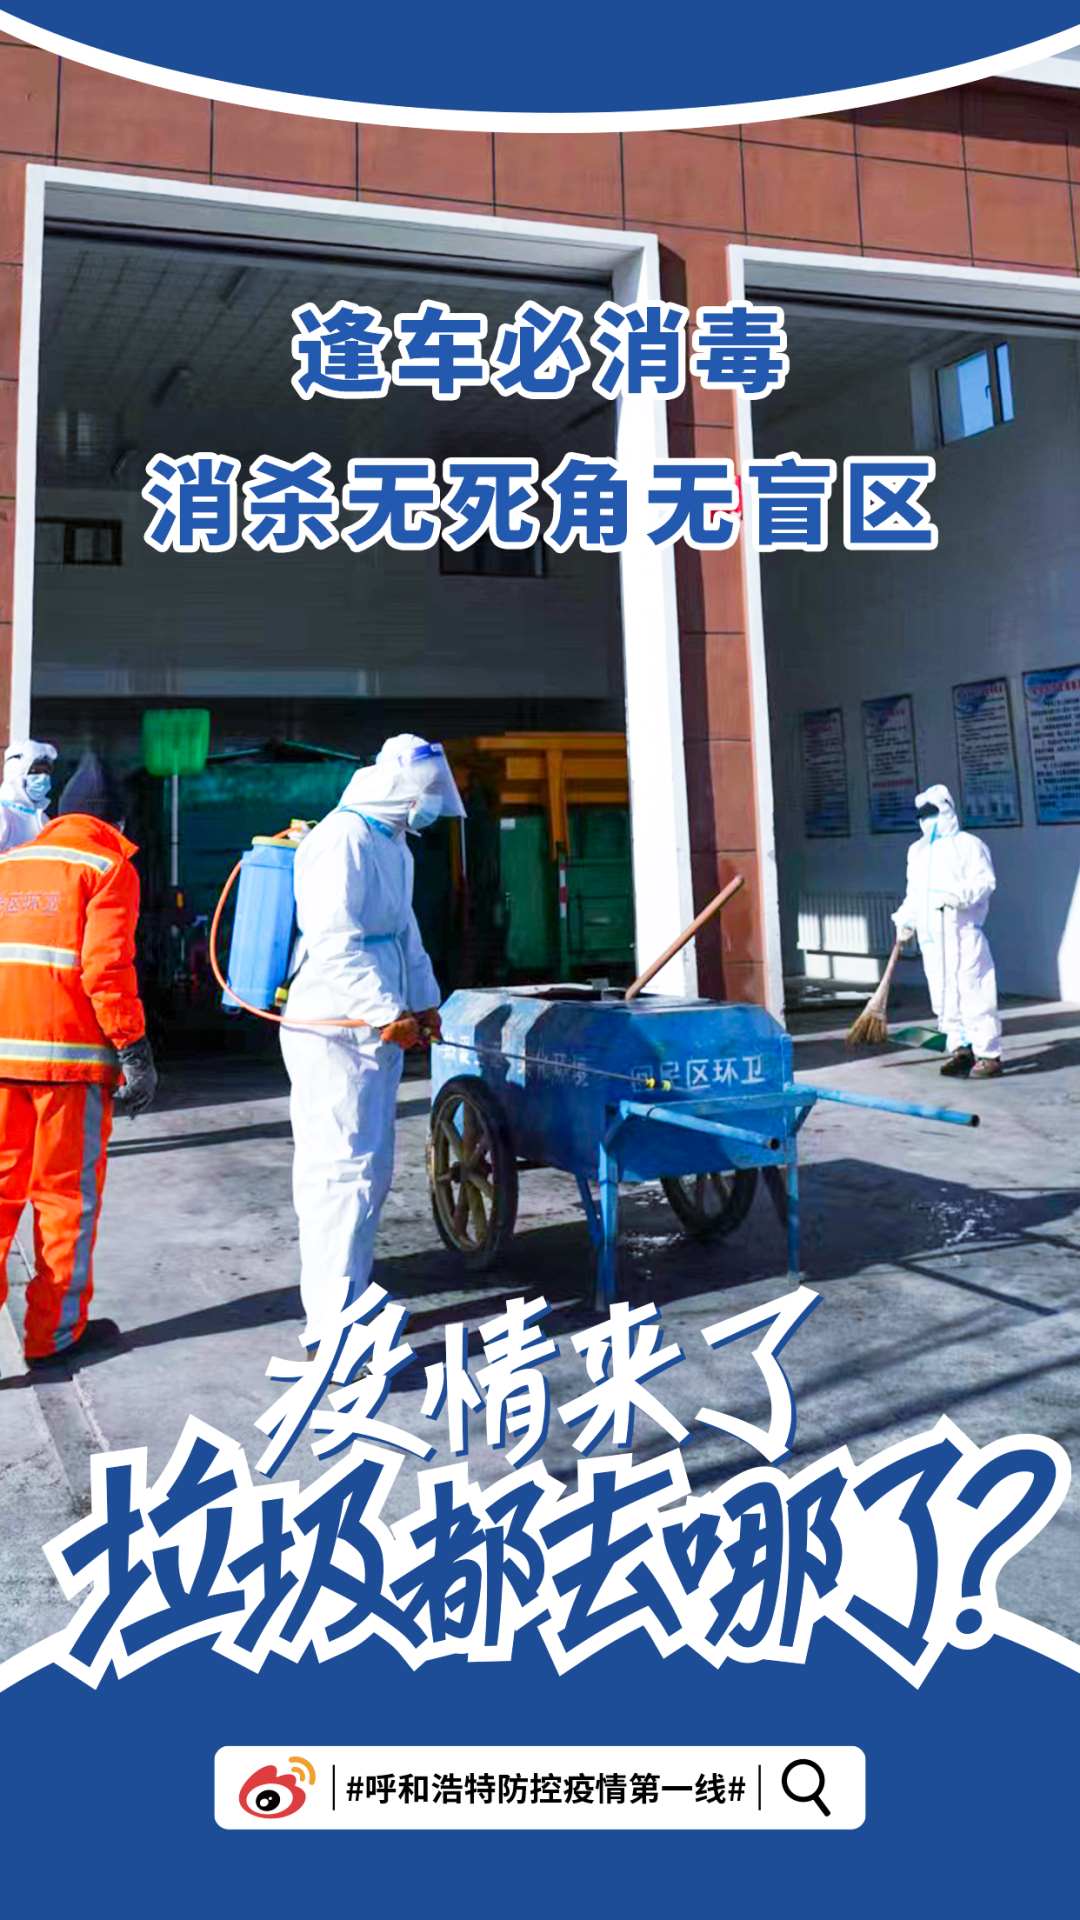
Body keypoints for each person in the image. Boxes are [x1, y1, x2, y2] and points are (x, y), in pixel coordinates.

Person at [279, 734, 464, 1331]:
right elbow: (335, 942)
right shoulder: (342, 838)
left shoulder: (393, 844)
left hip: (371, 1028)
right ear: (398, 788)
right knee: (339, 1172)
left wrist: (424, 1002)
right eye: (426, 792)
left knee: (369, 1172)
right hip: (333, 1028)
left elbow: (405, 932)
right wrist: (387, 1011)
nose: (431, 804)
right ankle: (330, 1327)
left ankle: (352, 1298)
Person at [0, 752, 158, 1369]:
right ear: (114, 822)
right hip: (69, 1064)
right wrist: (134, 1049)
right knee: (65, 1199)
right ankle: (53, 1335)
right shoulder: (108, 866)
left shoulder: (10, 863)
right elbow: (106, 968)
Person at [892, 782, 1002, 1080]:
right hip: (932, 938)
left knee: (973, 992)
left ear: (947, 811)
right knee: (943, 996)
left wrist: (960, 897)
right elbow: (915, 893)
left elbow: (985, 882)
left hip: (962, 932)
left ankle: (989, 1054)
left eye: (933, 813)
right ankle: (960, 1050)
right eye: (922, 815)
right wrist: (906, 919)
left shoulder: (969, 845)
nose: (927, 821)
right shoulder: (918, 851)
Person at [0, 738, 57, 851]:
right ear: (15, 773)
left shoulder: (42, 818)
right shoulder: (3, 813)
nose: (43, 777)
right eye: (35, 771)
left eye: (46, 772)